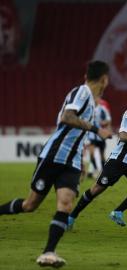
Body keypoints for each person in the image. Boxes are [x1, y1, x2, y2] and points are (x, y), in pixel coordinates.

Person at [0, 60, 111, 267]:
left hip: (72, 161)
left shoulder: (92, 101)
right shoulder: (82, 92)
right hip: (54, 155)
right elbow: (67, 117)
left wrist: (81, 160)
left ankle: (48, 253)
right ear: (104, 79)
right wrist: (96, 130)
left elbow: (77, 130)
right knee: (29, 204)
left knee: (66, 204)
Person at [68, 84, 127, 229]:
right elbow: (122, 137)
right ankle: (72, 216)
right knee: (96, 189)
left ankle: (118, 212)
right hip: (118, 160)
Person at [87, 97, 112, 178]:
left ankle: (104, 172)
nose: (95, 99)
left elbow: (108, 120)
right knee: (91, 154)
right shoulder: (89, 108)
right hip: (91, 135)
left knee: (102, 155)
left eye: (97, 98)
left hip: (101, 135)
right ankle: (95, 169)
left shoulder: (102, 109)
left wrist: (104, 123)